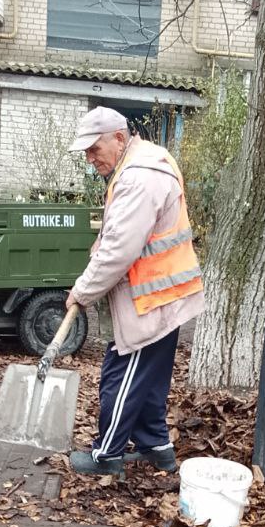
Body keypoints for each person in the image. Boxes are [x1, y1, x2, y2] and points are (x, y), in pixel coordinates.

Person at [64, 107, 204, 476]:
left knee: (121, 375)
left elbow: (119, 249)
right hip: (160, 294)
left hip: (149, 299)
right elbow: (119, 236)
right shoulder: (146, 163)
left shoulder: (139, 176)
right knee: (148, 379)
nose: (90, 159)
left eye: (94, 149)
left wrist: (82, 291)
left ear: (119, 138)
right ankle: (156, 447)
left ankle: (106, 454)